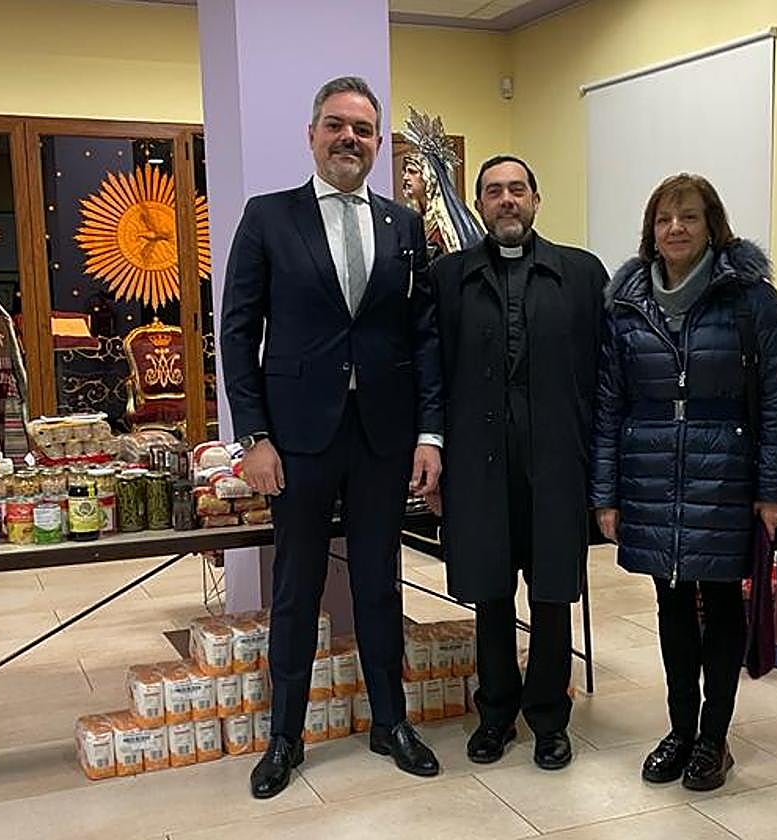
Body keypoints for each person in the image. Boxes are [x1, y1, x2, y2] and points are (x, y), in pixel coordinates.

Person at [220, 76, 444, 799]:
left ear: (378, 143)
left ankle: (390, 722)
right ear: (312, 135)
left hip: (382, 435)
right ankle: (284, 736)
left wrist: (429, 435)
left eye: (364, 129)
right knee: (297, 587)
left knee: (381, 581)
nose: (350, 138)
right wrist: (253, 437)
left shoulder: (403, 226)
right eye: (337, 125)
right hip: (297, 438)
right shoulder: (268, 217)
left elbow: (423, 335)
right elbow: (236, 332)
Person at [591, 173, 777, 792]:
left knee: (723, 603)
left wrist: (774, 490)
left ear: (712, 226)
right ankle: (680, 730)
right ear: (650, 231)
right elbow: (609, 403)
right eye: (664, 219)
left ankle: (714, 737)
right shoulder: (626, 304)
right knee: (672, 604)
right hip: (650, 471)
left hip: (725, 472)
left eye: (688, 217)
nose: (675, 229)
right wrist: (606, 494)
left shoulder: (751, 300)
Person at [426, 155, 607, 770]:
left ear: (536, 199)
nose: (507, 200)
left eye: (517, 189)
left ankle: (550, 717)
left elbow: (603, 375)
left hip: (556, 462)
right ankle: (496, 713)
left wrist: (600, 469)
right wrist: (433, 453)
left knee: (553, 594)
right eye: (494, 191)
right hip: (478, 464)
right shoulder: (448, 278)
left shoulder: (580, 274)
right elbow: (432, 373)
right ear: (479, 205)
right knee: (491, 591)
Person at [399, 107, 483, 263]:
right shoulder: (415, 218)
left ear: (429, 178)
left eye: (412, 172)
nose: (405, 177)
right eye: (404, 172)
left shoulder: (445, 224)